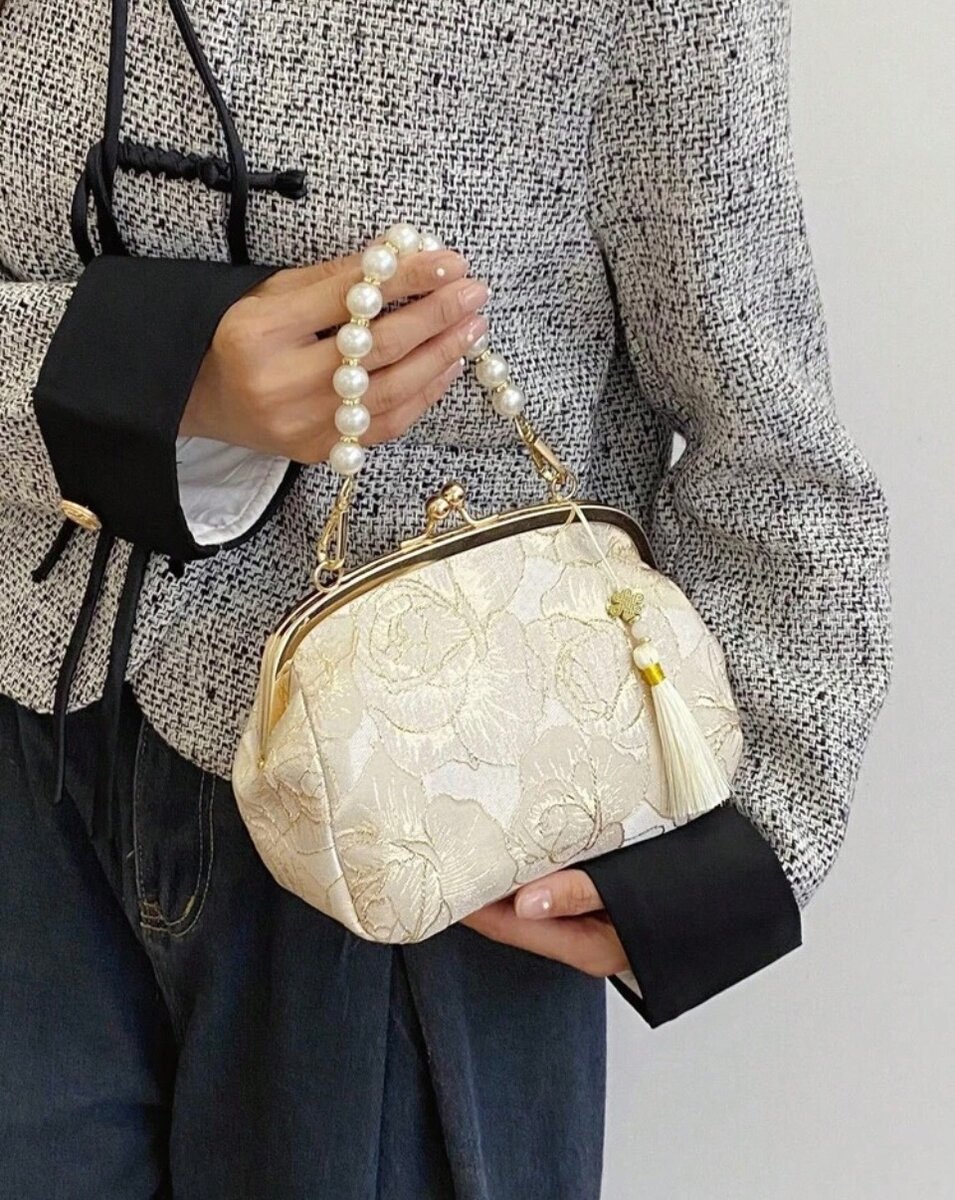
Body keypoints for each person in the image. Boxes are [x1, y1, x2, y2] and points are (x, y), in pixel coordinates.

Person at [0, 0, 892, 1196]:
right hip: (23, 750)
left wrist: (731, 852)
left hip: (442, 830)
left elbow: (761, 425)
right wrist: (154, 371)